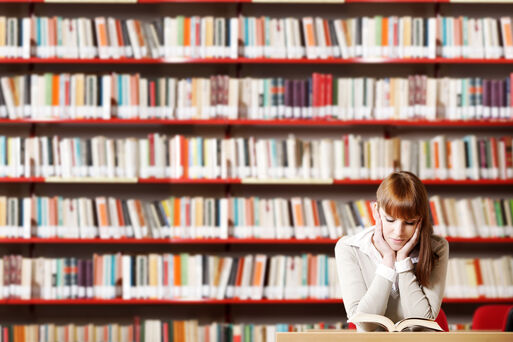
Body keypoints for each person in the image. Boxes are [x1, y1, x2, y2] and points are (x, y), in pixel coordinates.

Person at [335, 171, 449, 332]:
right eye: (390, 220)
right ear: (376, 211)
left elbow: (421, 323)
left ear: (420, 220)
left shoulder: (437, 248)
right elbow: (365, 324)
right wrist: (388, 262)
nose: (398, 232)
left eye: (409, 222)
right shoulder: (349, 248)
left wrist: (403, 262)